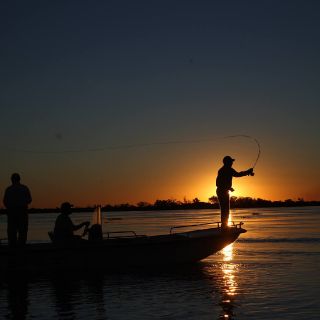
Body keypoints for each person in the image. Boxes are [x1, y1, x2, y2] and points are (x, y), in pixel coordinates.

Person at [216, 156, 254, 228]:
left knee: (225, 209)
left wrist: (248, 172)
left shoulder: (226, 170)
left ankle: (224, 225)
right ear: (227, 162)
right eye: (231, 161)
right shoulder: (224, 170)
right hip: (222, 191)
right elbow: (218, 183)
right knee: (225, 209)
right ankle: (224, 226)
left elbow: (237, 174)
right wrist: (248, 172)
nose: (232, 163)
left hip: (223, 191)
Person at [3, 173, 32, 247]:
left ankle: (13, 249)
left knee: (12, 233)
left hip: (12, 213)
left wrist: (10, 207)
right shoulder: (24, 188)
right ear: (19, 179)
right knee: (23, 232)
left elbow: (5, 201)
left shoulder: (8, 189)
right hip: (22, 212)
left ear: (12, 180)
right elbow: (29, 200)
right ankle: (21, 248)